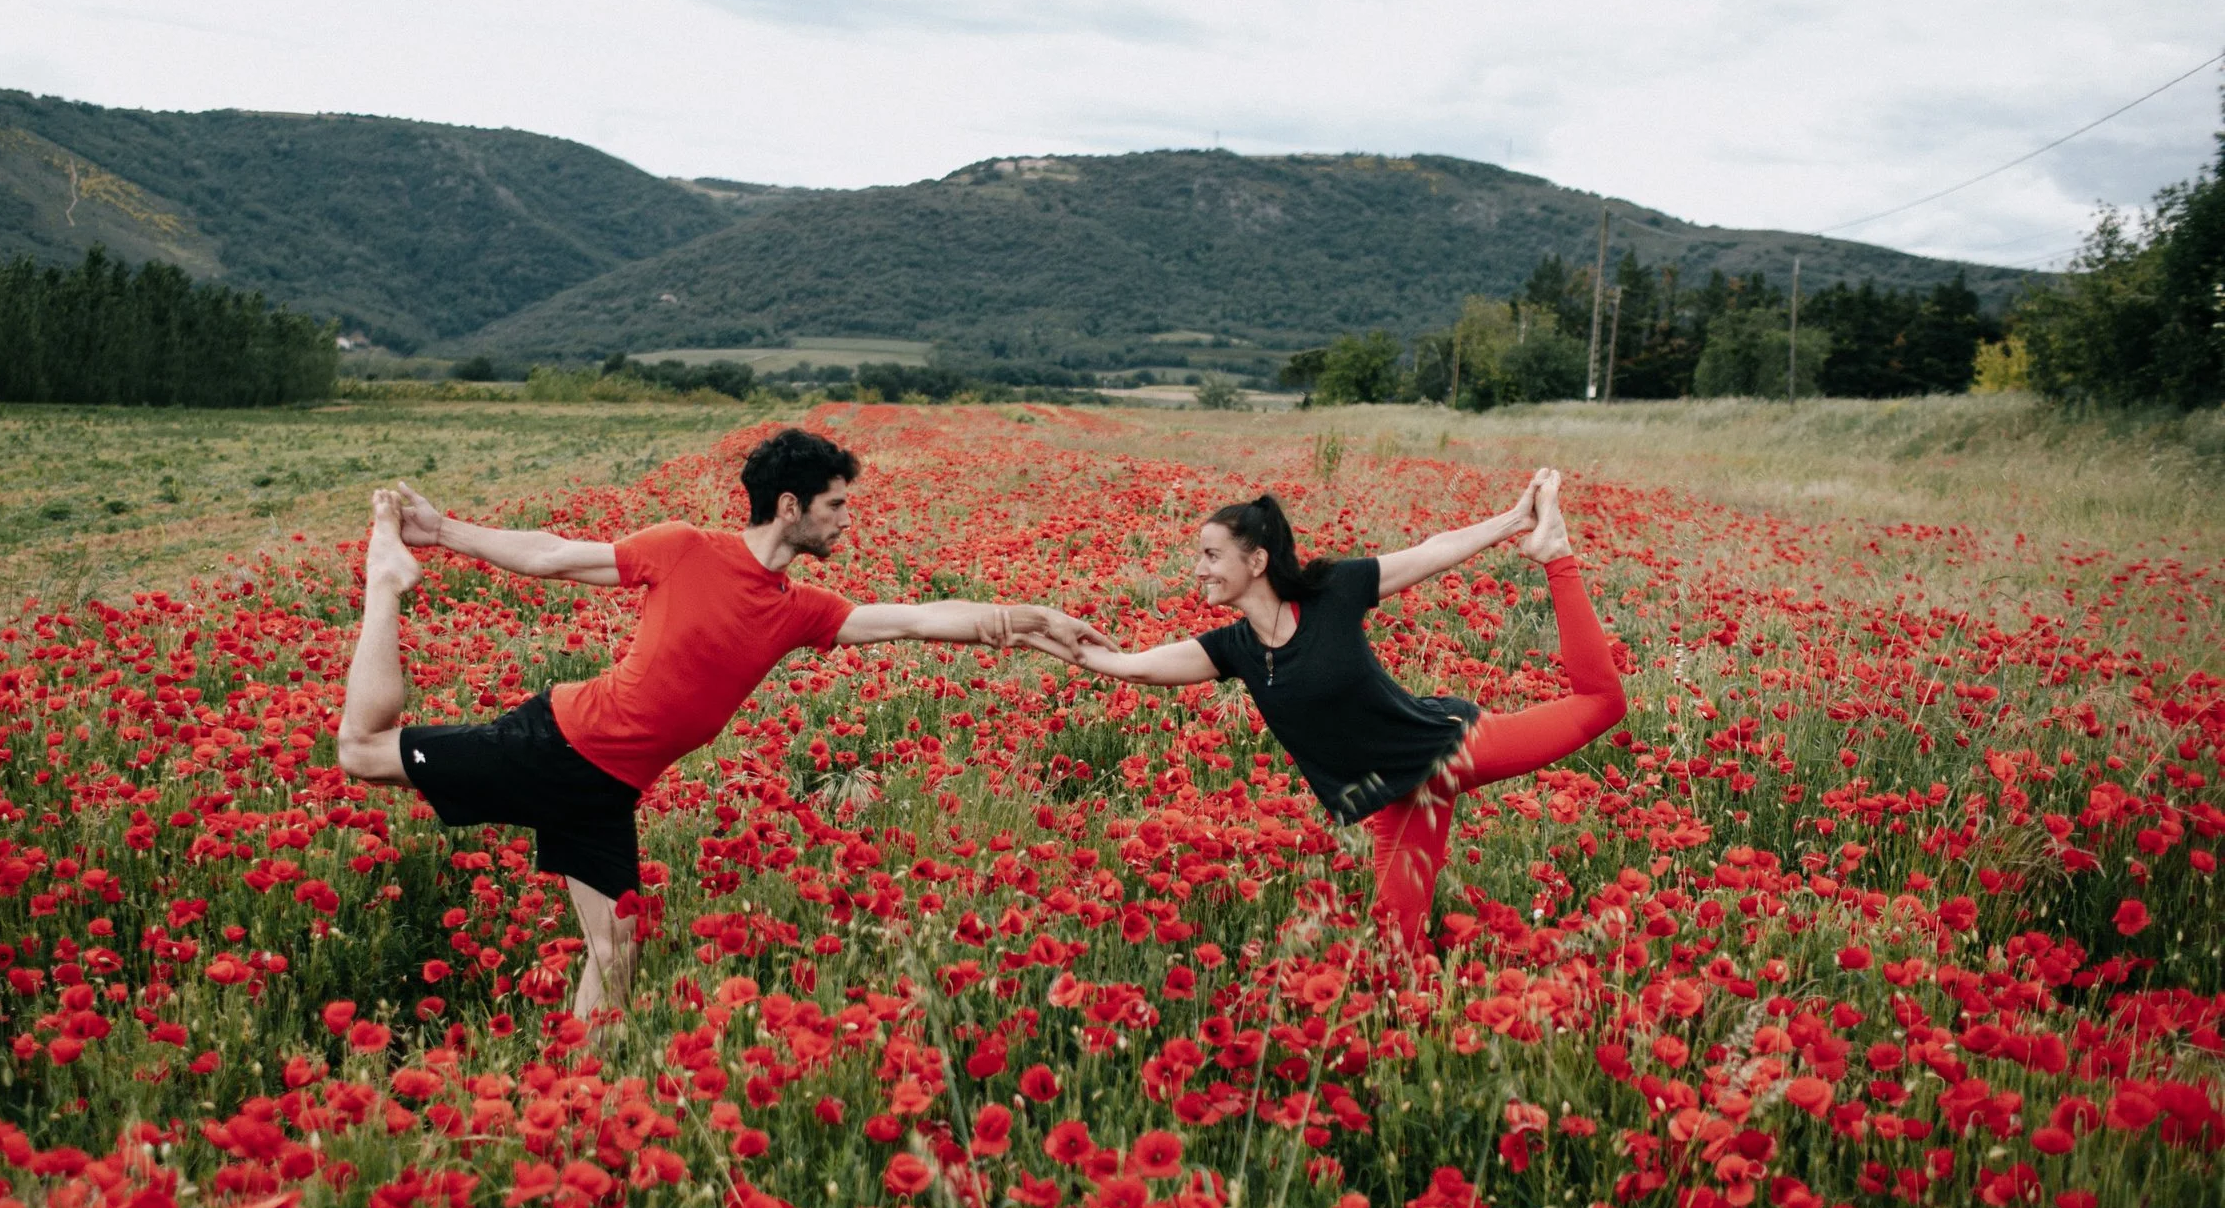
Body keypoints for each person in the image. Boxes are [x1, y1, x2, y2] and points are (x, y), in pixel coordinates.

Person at [335, 426, 1111, 1019]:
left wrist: (1026, 617)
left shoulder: (799, 609)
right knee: (363, 750)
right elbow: (553, 557)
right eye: (837, 505)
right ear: (789, 507)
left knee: (616, 946)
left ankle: (577, 1101)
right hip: (556, 744)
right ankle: (386, 582)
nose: (848, 521)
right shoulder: (683, 549)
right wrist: (440, 535)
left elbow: (913, 619)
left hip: (606, 790)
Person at [1036, 468, 1626, 958]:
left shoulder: (1331, 592)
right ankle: (1414, 1035)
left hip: (1450, 748)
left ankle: (1556, 554)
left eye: (1212, 555)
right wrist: (1049, 637)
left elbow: (1431, 553)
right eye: (1200, 556)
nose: (1199, 569)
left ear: (1258, 560)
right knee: (1396, 941)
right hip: (1401, 792)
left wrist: (1514, 521)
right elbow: (1136, 667)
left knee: (1601, 705)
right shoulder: (1233, 649)